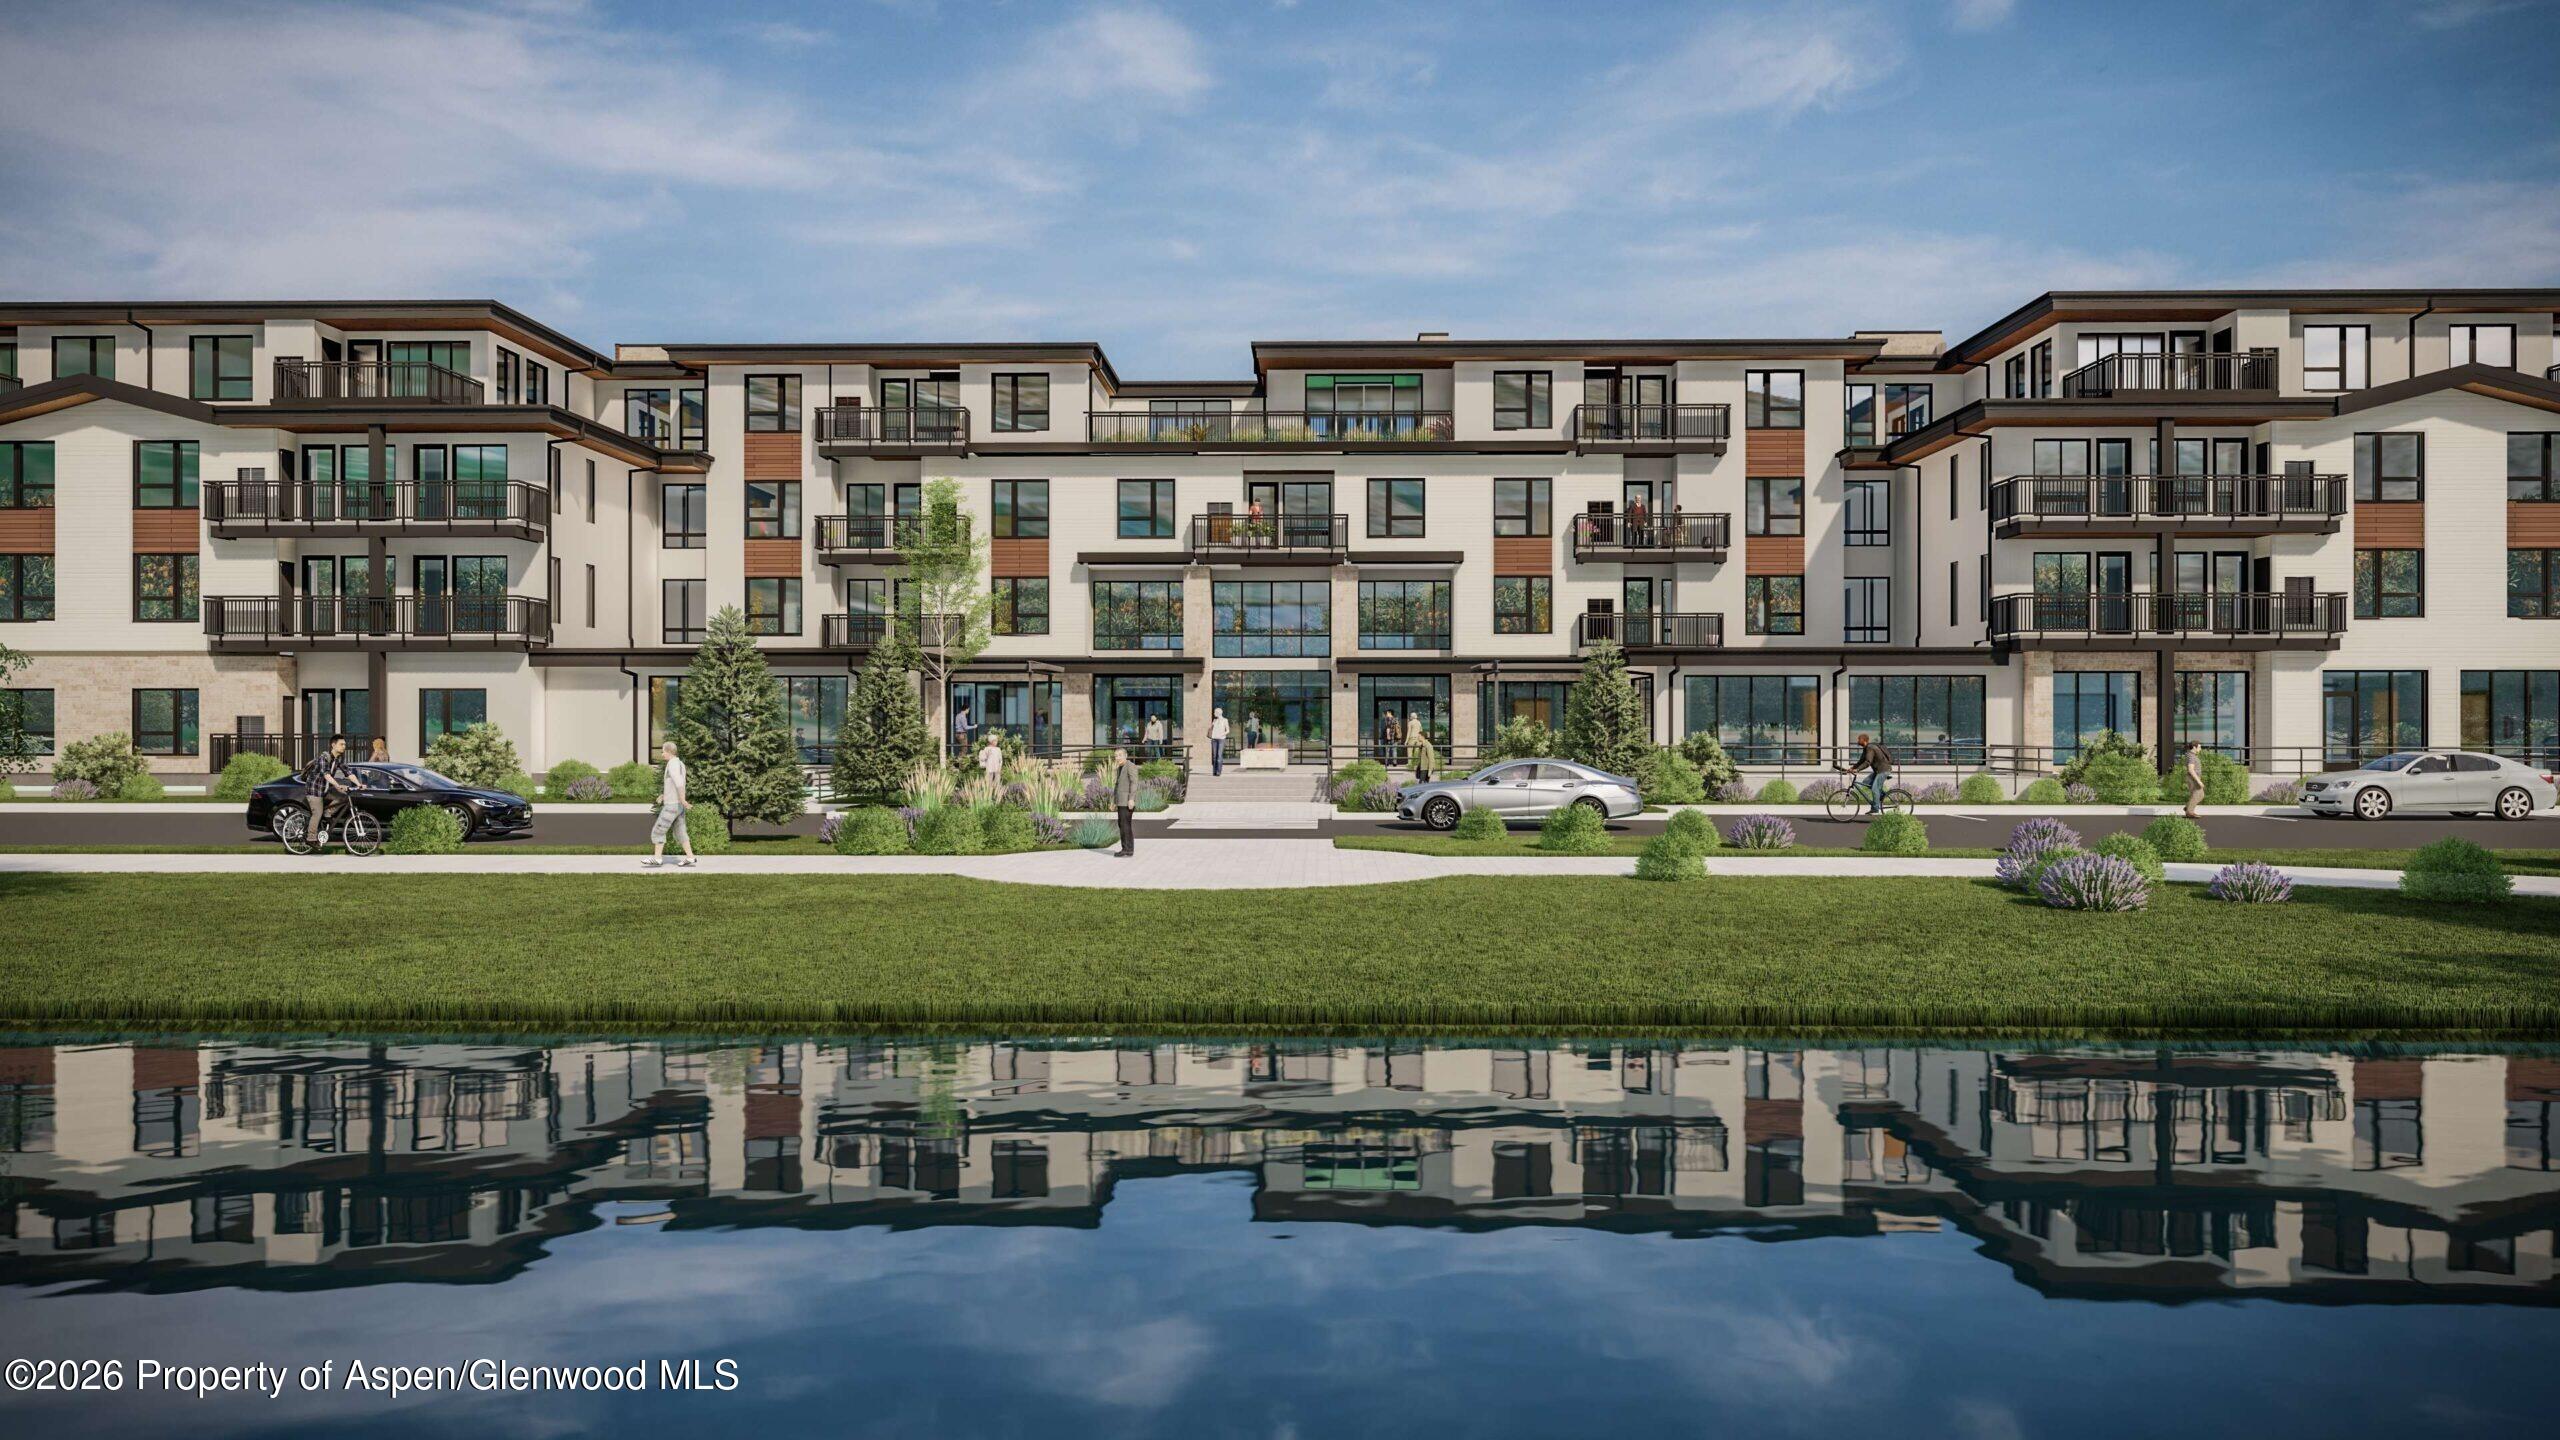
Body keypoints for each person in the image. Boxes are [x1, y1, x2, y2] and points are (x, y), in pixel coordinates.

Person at [645, 740, 697, 868]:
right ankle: (690, 857)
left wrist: (683, 800)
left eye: (663, 751)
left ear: (668, 751)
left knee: (658, 830)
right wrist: (664, 795)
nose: (662, 754)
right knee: (680, 831)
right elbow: (675, 784)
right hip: (677, 806)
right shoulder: (680, 763)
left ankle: (657, 859)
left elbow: (679, 783)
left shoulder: (672, 764)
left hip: (672, 806)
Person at [298, 733, 357, 846]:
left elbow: (348, 773)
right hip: (314, 790)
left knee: (343, 796)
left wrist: (359, 784)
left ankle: (328, 812)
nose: (344, 746)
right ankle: (310, 838)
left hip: (325, 789)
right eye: (341, 744)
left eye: (345, 744)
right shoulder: (323, 758)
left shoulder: (338, 760)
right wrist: (337, 785)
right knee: (317, 813)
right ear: (333, 745)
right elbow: (326, 775)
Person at [1853, 731, 1895, 815]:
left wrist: (1857, 770)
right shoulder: (1866, 749)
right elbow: (1861, 761)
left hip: (1883, 770)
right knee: (1866, 782)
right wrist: (1852, 768)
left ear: (1864, 740)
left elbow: (1868, 762)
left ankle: (1875, 809)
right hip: (1878, 771)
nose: (1857, 741)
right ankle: (1881, 796)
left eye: (1859, 739)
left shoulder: (1870, 748)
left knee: (1875, 788)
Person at [1111, 747, 1140, 857]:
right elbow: (1117, 785)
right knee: (1122, 824)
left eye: (1119, 755)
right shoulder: (1120, 767)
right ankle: (1127, 849)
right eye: (1116, 756)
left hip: (1127, 801)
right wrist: (1114, 801)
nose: (1117, 757)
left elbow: (1134, 783)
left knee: (1125, 825)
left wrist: (1131, 798)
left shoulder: (1130, 766)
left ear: (1125, 755)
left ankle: (1127, 849)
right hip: (1120, 801)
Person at [1408, 715, 1437, 783]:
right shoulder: (1421, 745)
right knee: (1423, 783)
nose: (1417, 737)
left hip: (1426, 768)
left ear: (1422, 737)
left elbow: (1431, 758)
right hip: (1422, 767)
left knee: (1422, 783)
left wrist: (1430, 770)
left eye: (1419, 736)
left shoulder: (1428, 746)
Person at [2183, 741, 2206, 820]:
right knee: (2196, 795)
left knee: (2201, 795)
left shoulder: (2191, 755)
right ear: (2194, 747)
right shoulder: (2191, 756)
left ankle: (2188, 807)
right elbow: (2191, 769)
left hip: (2194, 778)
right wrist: (2198, 781)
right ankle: (2189, 812)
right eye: (2199, 747)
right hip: (2193, 778)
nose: (2200, 749)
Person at [1207, 706, 1230, 776]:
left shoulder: (1225, 720)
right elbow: (1211, 729)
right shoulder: (1214, 720)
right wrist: (1212, 725)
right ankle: (1214, 771)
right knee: (1214, 756)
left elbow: (1228, 730)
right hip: (1214, 739)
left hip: (1221, 739)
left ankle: (1218, 772)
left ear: (1218, 713)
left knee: (1219, 755)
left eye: (1215, 712)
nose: (1214, 713)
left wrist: (1222, 734)